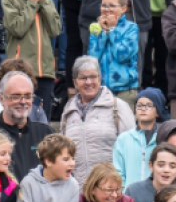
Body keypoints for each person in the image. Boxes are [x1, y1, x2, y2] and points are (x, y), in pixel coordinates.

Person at [58, 55, 136, 184]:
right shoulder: (68, 111)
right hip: (78, 192)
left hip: (110, 189)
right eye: (83, 78)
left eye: (93, 77)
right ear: (75, 82)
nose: (89, 82)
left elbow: (131, 151)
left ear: (100, 79)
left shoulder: (117, 107)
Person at [0, 0, 61, 107]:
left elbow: (55, 30)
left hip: (45, 72)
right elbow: (17, 28)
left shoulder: (46, 1)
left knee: (42, 118)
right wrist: (32, 2)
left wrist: (44, 2)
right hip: (20, 71)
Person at [113, 87, 166, 188]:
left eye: (149, 105)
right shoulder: (123, 139)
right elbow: (118, 172)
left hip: (158, 198)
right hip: (129, 198)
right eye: (139, 105)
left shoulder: (163, 138)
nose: (143, 108)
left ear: (158, 112)